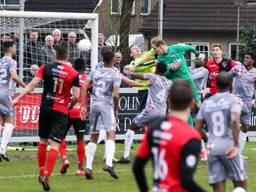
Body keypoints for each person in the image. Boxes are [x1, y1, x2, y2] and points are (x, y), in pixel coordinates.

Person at [12, 43, 80, 191]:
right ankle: (47, 175)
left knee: (42, 141)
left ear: (55, 55)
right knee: (55, 144)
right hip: (61, 111)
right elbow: (76, 96)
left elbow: (32, 84)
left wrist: (18, 98)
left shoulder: (45, 68)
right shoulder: (74, 73)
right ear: (67, 56)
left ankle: (41, 170)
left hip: (45, 108)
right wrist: (68, 106)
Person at [133, 80, 205, 192]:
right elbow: (186, 181)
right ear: (191, 104)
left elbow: (137, 167)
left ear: (169, 101)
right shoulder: (191, 136)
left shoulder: (155, 127)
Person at [195, 72, 247, 192]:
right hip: (229, 146)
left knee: (218, 186)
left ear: (216, 84)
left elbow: (197, 128)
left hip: (213, 148)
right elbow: (235, 121)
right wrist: (236, 145)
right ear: (231, 84)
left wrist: (208, 139)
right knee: (240, 183)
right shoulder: (235, 100)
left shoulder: (207, 103)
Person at [119, 62, 172, 163]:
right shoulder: (170, 83)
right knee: (157, 134)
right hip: (161, 112)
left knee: (132, 128)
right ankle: (161, 157)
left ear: (156, 69)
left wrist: (131, 73)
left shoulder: (153, 77)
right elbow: (169, 99)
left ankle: (125, 156)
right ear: (165, 71)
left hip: (150, 111)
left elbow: (141, 76)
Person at [80, 50, 121, 180]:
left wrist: (83, 105)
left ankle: (88, 167)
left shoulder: (95, 71)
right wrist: (116, 108)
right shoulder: (115, 74)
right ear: (113, 59)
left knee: (94, 136)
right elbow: (115, 95)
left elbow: (84, 86)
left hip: (95, 104)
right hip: (106, 105)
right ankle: (108, 163)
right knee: (111, 134)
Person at [151, 36, 199, 125]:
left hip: (187, 81)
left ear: (160, 46)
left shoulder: (176, 48)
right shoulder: (160, 59)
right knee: (183, 108)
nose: (154, 51)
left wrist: (197, 54)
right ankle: (189, 130)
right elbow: (164, 75)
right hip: (175, 85)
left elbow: (189, 47)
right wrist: (172, 69)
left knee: (198, 105)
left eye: (155, 48)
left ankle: (202, 126)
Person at [58, 58, 89, 176]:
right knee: (80, 139)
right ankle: (80, 168)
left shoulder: (68, 76)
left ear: (74, 67)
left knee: (60, 136)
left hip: (66, 110)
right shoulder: (86, 79)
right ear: (84, 68)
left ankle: (65, 159)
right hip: (80, 111)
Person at [0, 41, 26, 161]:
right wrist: (25, 86)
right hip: (7, 93)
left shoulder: (1, 60)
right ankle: (2, 149)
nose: (16, 49)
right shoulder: (12, 61)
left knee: (1, 120)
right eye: (15, 47)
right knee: (10, 121)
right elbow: (14, 76)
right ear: (10, 49)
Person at [230, 52, 256, 154]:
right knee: (234, 123)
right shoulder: (237, 68)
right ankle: (231, 147)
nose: (245, 59)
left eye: (248, 58)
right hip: (236, 100)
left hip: (247, 102)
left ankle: (239, 151)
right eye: (244, 57)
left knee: (245, 126)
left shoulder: (255, 72)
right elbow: (227, 76)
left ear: (253, 61)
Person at [126, 45, 156, 111]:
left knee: (153, 110)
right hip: (143, 89)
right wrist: (155, 61)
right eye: (134, 48)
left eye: (137, 47)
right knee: (144, 110)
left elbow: (153, 50)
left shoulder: (146, 56)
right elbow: (143, 66)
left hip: (154, 88)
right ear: (131, 54)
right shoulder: (133, 63)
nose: (137, 48)